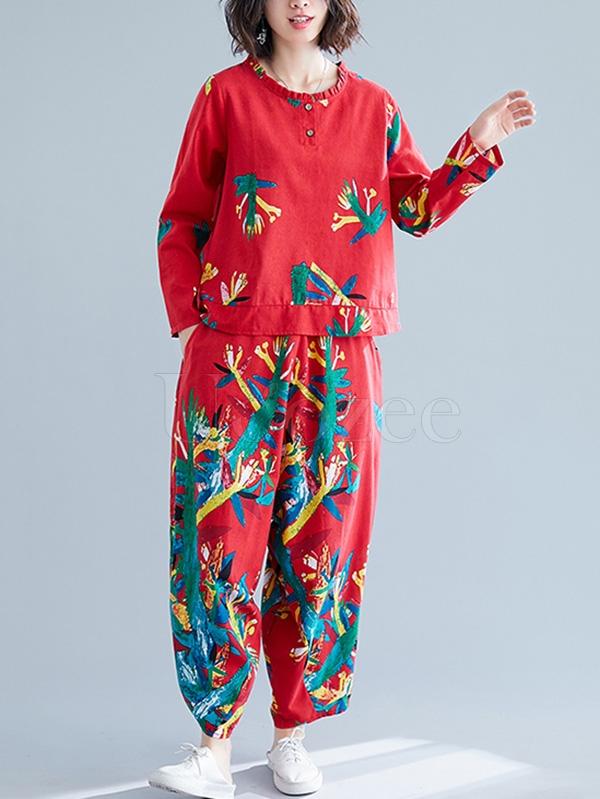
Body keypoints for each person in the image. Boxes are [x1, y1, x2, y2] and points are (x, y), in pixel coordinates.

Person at [147, 1, 536, 796]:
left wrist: (476, 144)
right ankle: (213, 746)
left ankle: (291, 736)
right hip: (235, 355)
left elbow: (415, 209)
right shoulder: (224, 97)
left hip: (340, 356)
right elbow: (181, 216)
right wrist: (190, 320)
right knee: (218, 540)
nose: (300, 1)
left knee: (322, 542)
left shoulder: (375, 107)